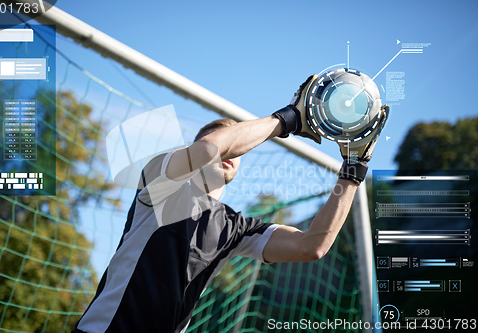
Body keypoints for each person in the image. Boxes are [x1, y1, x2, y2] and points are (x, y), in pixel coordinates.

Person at [72, 75, 387, 333]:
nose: (233, 153)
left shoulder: (237, 228)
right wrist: (288, 119)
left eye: (239, 150)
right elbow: (211, 148)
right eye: (230, 143)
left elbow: (311, 246)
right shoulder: (160, 180)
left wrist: (354, 170)